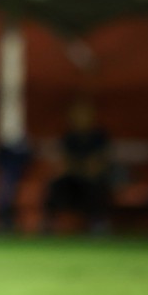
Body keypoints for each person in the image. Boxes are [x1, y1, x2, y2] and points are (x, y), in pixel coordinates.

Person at [40, 99, 112, 236]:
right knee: (56, 184)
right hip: (72, 181)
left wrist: (78, 166)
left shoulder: (99, 136)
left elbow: (96, 165)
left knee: (95, 184)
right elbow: (65, 163)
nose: (80, 118)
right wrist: (78, 167)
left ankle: (98, 223)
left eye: (84, 114)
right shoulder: (69, 137)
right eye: (77, 114)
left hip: (92, 180)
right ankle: (48, 224)